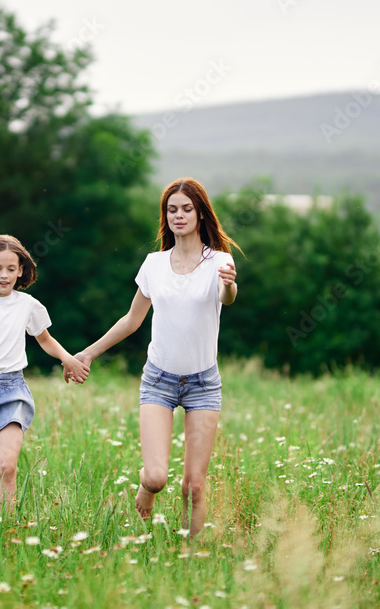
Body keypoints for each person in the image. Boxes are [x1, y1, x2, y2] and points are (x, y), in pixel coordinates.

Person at [71, 178, 240, 537]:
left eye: (187, 209)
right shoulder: (154, 264)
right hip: (158, 382)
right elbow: (132, 320)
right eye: (172, 209)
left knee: (193, 485)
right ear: (166, 216)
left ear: (200, 214)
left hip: (203, 384)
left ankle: (190, 554)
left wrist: (228, 283)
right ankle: (145, 496)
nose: (179, 215)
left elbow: (227, 297)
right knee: (157, 476)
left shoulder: (219, 262)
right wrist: (88, 353)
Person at [0, 234, 89, 510]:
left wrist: (68, 359)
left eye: (11, 269)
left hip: (12, 390)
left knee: (7, 468)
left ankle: (8, 527)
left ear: (21, 270)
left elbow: (45, 339)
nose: (4, 275)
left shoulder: (27, 304)